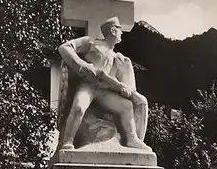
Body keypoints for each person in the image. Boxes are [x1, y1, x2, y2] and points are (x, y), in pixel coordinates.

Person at [58, 16, 151, 151]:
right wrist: (82, 65)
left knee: (127, 106)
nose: (122, 33)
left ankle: (132, 139)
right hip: (88, 85)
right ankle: (68, 141)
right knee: (78, 107)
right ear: (113, 30)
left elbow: (122, 81)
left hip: (104, 90)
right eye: (119, 30)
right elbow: (65, 47)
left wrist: (123, 89)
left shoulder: (117, 57)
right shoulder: (91, 42)